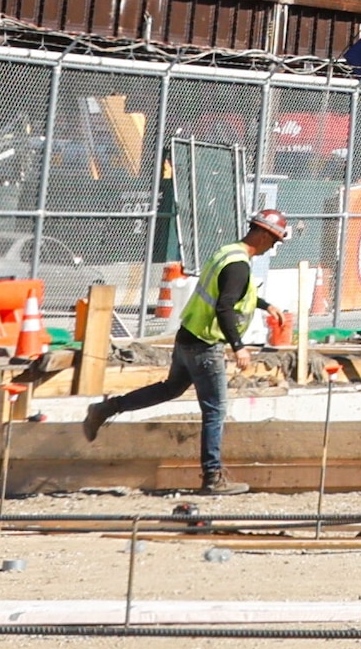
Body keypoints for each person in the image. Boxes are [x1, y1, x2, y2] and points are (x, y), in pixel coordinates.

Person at [86, 204, 288, 494]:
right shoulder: (239, 265)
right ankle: (212, 477)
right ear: (264, 235)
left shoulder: (228, 252)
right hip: (205, 345)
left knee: (170, 389)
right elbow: (224, 306)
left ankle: (107, 408)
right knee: (215, 409)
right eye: (273, 240)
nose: (272, 247)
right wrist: (239, 347)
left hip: (188, 337)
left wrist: (266, 305)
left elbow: (229, 293)